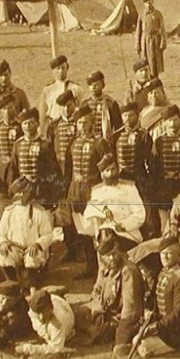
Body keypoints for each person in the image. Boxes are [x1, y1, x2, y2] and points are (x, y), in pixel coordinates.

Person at [65, 105, 112, 276]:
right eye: (79, 123)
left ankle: (104, 268)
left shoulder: (100, 143)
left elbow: (107, 170)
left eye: (85, 122)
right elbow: (68, 169)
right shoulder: (73, 142)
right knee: (83, 231)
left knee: (98, 231)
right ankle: (90, 267)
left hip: (93, 191)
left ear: (92, 122)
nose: (82, 126)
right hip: (76, 191)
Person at [136, 235, 180, 357]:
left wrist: (157, 326)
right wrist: (150, 313)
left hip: (178, 329)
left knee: (143, 344)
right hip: (165, 324)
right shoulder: (163, 272)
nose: (164, 257)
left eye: (169, 253)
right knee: (137, 337)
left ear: (178, 254)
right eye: (162, 253)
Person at [83, 234, 145, 356]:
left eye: (114, 254)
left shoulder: (127, 271)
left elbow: (130, 308)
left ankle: (114, 333)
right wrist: (98, 310)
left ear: (119, 251)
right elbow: (96, 291)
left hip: (125, 317)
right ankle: (103, 331)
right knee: (80, 315)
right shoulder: (104, 269)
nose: (112, 258)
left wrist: (123, 330)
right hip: (107, 312)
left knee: (119, 348)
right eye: (107, 256)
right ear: (102, 258)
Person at [0, 178, 56, 288]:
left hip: (32, 249)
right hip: (15, 249)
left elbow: (48, 235)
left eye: (23, 193)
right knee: (3, 256)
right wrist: (3, 243)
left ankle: (32, 286)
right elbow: (0, 233)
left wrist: (37, 244)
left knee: (32, 259)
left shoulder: (39, 211)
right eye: (18, 193)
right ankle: (13, 284)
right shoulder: (9, 211)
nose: (20, 197)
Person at [82, 154, 146, 251]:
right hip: (106, 232)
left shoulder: (129, 187)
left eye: (113, 169)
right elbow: (89, 211)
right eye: (107, 171)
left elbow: (140, 213)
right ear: (102, 174)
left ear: (118, 170)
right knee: (107, 239)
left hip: (127, 233)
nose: (111, 173)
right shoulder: (97, 191)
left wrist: (124, 225)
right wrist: (104, 210)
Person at [151, 105, 180, 232]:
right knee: (165, 223)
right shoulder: (159, 142)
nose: (172, 123)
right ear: (164, 122)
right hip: (164, 187)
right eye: (169, 120)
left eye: (175, 119)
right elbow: (154, 166)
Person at [10, 107, 59, 205]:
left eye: (31, 123)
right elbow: (13, 169)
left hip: (41, 190)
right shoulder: (18, 144)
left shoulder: (45, 144)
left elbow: (52, 170)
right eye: (24, 123)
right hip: (22, 190)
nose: (27, 127)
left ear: (37, 124)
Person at [113, 102, 154, 210]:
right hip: (121, 177)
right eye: (125, 115)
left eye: (131, 115)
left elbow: (149, 159)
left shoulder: (143, 135)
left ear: (137, 116)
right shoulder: (116, 136)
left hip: (139, 178)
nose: (127, 119)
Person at [16, 288, 76, 356]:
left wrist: (27, 348)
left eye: (43, 313)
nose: (40, 317)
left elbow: (55, 349)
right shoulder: (34, 308)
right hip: (55, 299)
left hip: (64, 322)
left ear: (51, 308)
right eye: (38, 313)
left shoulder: (58, 323)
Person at [0, 281, 33, 347]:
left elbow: (5, 334)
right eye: (2, 298)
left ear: (15, 301)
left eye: (9, 300)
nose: (4, 303)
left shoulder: (18, 312)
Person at [0, 96, 19, 189]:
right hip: (1, 169)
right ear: (1, 111)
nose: (7, 112)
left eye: (10, 108)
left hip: (17, 169)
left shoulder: (21, 127)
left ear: (15, 108)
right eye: (4, 109)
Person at [83, 70, 122, 141]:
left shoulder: (110, 103)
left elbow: (117, 126)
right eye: (91, 85)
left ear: (102, 85)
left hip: (105, 140)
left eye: (96, 84)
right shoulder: (85, 104)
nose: (93, 87)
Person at [135, 0, 167, 77]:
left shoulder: (158, 14)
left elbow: (163, 29)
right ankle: (146, 78)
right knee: (145, 60)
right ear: (144, 4)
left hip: (155, 40)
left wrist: (163, 42)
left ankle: (155, 78)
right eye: (146, 3)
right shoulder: (141, 15)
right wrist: (137, 44)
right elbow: (138, 31)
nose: (148, 5)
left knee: (154, 60)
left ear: (153, 2)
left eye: (150, 2)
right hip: (144, 40)